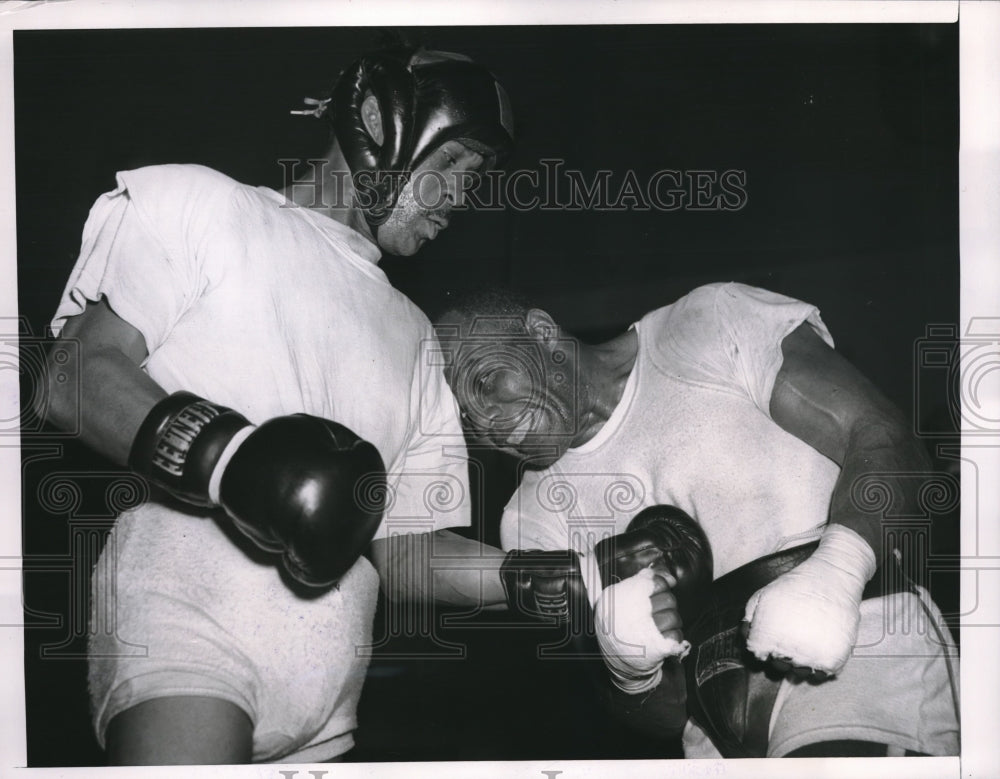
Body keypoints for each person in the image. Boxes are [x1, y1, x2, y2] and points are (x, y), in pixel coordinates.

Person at [38, 46, 514, 764]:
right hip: (189, 622)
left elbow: (407, 555)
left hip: (330, 691)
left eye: (474, 183)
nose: (459, 198)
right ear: (378, 119)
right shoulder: (204, 205)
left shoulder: (416, 333)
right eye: (453, 166)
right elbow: (71, 376)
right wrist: (233, 460)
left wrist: (561, 577)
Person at [434, 282, 960, 758]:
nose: (486, 428)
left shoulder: (707, 324)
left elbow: (886, 438)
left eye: (484, 382)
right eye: (462, 418)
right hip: (713, 743)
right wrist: (630, 670)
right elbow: (666, 715)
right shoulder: (529, 523)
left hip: (861, 666)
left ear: (542, 332)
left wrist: (838, 570)